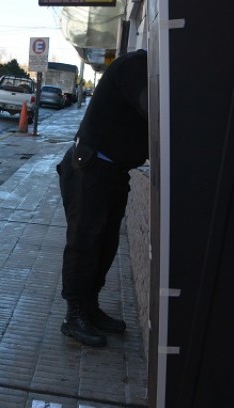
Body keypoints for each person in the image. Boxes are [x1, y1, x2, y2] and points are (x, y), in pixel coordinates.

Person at [57, 49, 148, 347]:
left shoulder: (147, 68)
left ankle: (90, 306)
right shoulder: (138, 66)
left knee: (106, 244)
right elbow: (154, 109)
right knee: (84, 243)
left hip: (113, 172)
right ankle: (75, 315)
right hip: (91, 169)